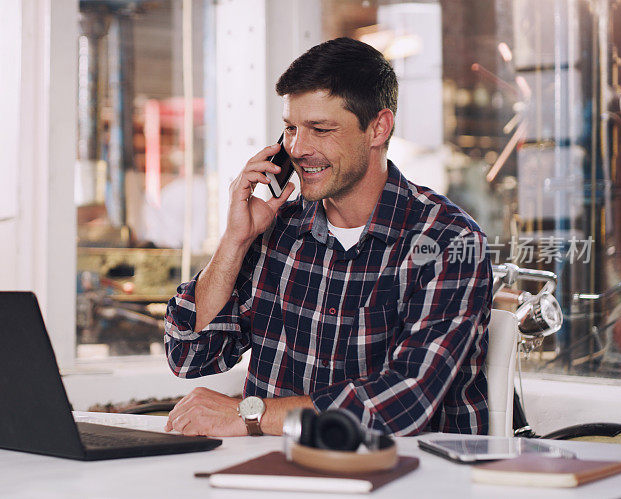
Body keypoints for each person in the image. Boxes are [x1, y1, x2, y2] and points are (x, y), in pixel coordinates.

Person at [163, 37, 492, 438]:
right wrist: (235, 241)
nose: (298, 149)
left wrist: (248, 414)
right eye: (290, 128)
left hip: (408, 480)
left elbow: (403, 402)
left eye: (320, 129)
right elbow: (188, 354)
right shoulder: (276, 230)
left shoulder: (447, 241)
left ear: (378, 128)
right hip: (279, 473)